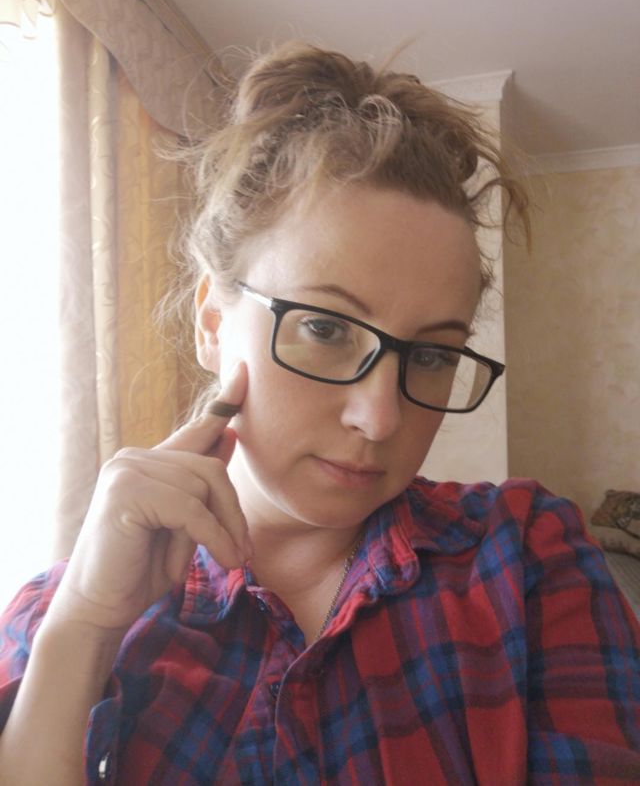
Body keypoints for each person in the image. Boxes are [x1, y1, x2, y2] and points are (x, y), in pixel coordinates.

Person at [0, 42, 638, 786]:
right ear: (213, 322)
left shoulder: (526, 555)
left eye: (432, 355)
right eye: (327, 329)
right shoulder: (53, 615)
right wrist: (83, 627)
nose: (380, 419)